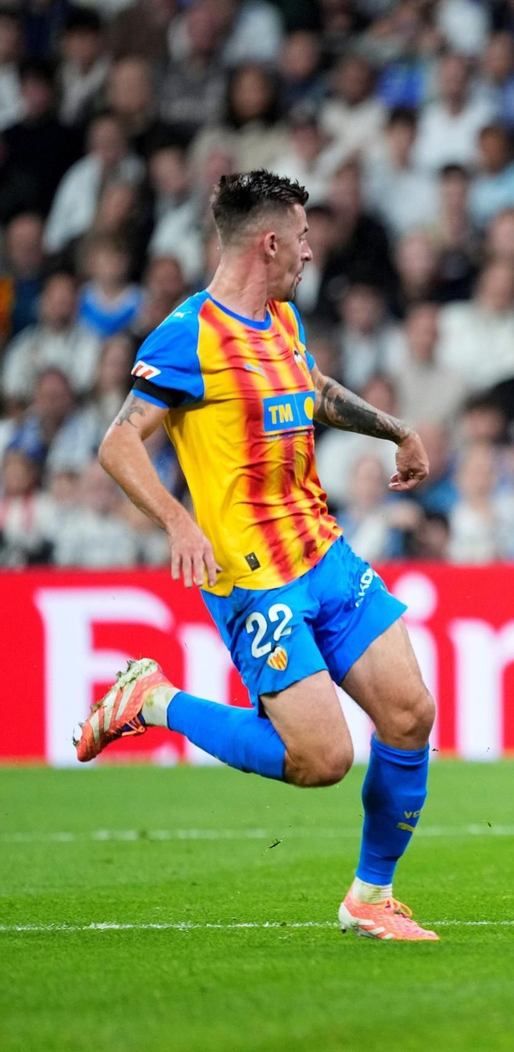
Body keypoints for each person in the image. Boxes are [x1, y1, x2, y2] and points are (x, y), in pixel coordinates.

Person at [71, 171, 441, 942]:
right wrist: (178, 521)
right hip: (254, 581)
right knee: (322, 758)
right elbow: (118, 442)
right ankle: (153, 700)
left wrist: (395, 428)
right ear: (269, 242)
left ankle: (370, 896)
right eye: (303, 238)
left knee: (410, 714)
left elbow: (313, 388)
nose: (311, 251)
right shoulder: (188, 335)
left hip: (324, 553)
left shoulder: (282, 318)